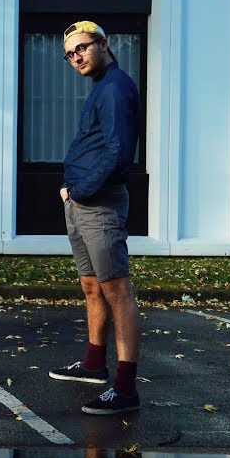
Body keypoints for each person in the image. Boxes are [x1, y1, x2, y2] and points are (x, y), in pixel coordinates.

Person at [47, 20, 144, 415]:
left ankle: (125, 389)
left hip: (99, 203)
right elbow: (94, 146)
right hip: (82, 201)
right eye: (70, 54)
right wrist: (70, 188)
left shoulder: (116, 88)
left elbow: (118, 152)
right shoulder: (102, 88)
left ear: (103, 44)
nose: (76, 58)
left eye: (82, 48)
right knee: (91, 285)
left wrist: (81, 190)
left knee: (116, 289)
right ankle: (92, 364)